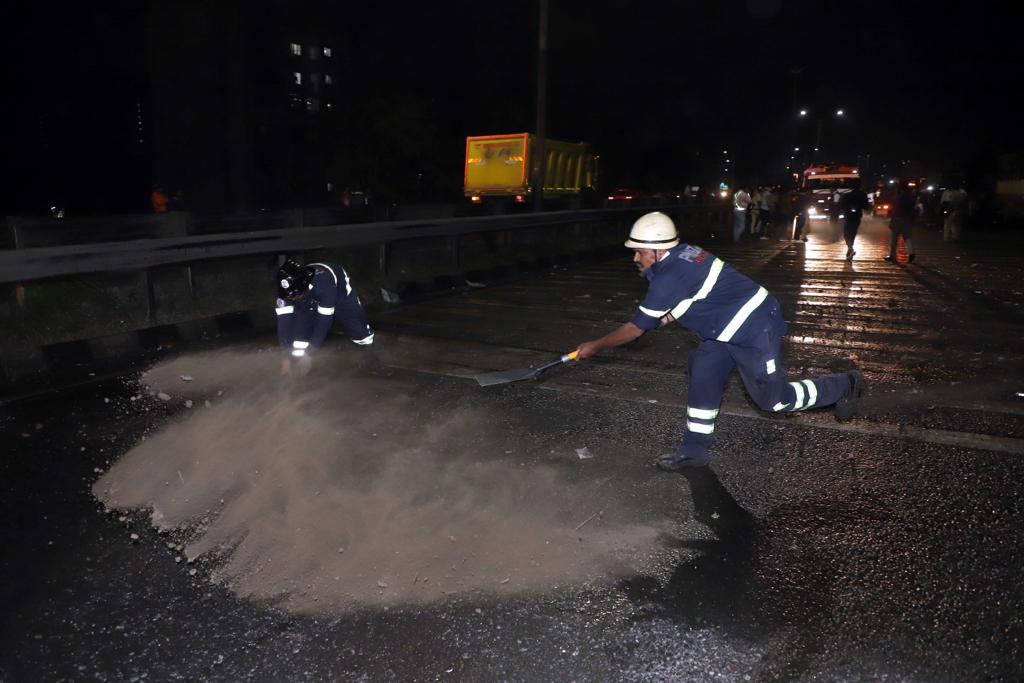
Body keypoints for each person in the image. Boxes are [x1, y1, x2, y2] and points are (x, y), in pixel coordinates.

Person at [574, 212, 863, 470]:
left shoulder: (669, 277)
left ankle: (843, 385)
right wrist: (661, 319)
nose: (635, 258)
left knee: (773, 402)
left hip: (754, 327)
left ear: (658, 250)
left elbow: (635, 329)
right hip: (723, 330)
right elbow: (693, 295)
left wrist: (594, 346)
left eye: (639, 252)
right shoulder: (684, 254)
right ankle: (693, 452)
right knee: (703, 376)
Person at [275, 259, 374, 372]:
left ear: (305, 285)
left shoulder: (324, 286)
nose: (291, 299)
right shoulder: (285, 293)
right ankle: (300, 366)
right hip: (309, 296)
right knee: (301, 336)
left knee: (358, 330)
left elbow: (323, 323)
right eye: (289, 296)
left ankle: (369, 357)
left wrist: (309, 353)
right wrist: (286, 358)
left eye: (295, 296)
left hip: (340, 295)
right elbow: (284, 325)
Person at [886, 182, 917, 263]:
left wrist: (891, 221)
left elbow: (895, 210)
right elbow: (912, 209)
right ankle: (911, 253)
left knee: (894, 239)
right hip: (907, 219)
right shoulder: (911, 197)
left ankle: (893, 256)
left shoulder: (898, 197)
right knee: (907, 238)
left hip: (898, 219)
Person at [839, 179, 869, 260]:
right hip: (857, 216)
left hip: (848, 216)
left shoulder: (847, 195)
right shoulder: (863, 195)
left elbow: (842, 205)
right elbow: (866, 206)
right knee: (853, 233)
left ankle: (850, 249)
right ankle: (850, 249)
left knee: (846, 234)